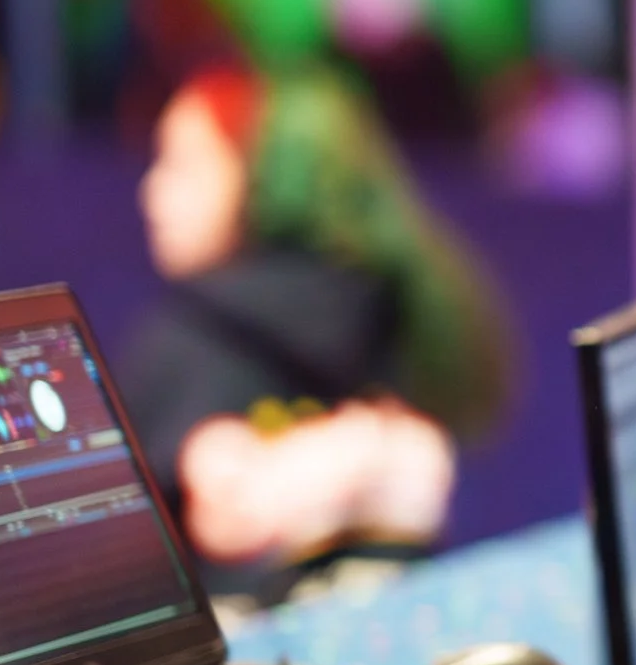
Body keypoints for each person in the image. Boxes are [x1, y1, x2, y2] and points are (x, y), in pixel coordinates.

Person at [127, 63, 513, 603]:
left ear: (265, 177)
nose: (152, 191)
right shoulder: (395, 302)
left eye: (183, 164)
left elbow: (226, 519)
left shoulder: (193, 339)